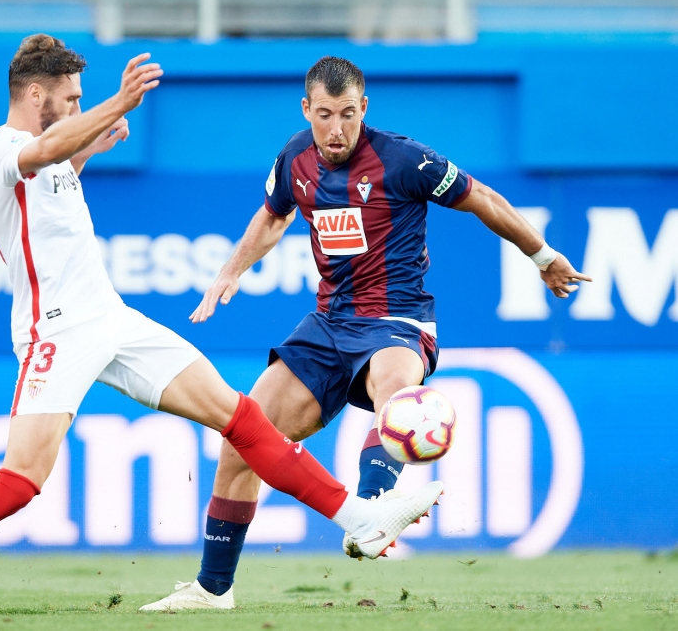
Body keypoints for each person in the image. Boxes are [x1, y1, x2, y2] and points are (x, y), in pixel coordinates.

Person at [0, 34, 445, 619]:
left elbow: (54, 166)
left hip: (112, 319)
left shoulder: (50, 153)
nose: (77, 107)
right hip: (56, 332)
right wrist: (115, 104)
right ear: (37, 95)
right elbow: (39, 157)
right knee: (20, 483)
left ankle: (358, 518)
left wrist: (91, 145)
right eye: (71, 98)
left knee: (242, 420)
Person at [140, 56, 592, 611]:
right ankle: (212, 589)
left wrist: (543, 256)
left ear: (365, 109)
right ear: (306, 109)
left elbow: (485, 200)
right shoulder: (294, 159)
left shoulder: (405, 160)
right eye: (325, 115)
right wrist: (231, 270)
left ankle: (372, 512)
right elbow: (274, 214)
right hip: (328, 324)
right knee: (243, 442)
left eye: (348, 115)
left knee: (396, 392)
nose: (336, 129)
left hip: (397, 319)